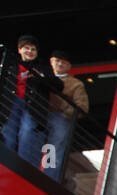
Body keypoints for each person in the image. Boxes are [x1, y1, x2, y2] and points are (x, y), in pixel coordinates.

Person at [2, 35, 57, 167]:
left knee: (27, 132)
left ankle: (22, 168)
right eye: (26, 48)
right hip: (11, 104)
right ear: (19, 50)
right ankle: (6, 166)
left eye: (33, 49)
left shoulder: (42, 67)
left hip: (31, 106)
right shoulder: (10, 65)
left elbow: (58, 85)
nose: (30, 51)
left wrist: (40, 76)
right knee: (8, 134)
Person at [44, 50, 88, 182]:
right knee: (30, 139)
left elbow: (83, 107)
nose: (60, 64)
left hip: (60, 118)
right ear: (51, 62)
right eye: (57, 61)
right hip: (39, 114)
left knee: (53, 150)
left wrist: (63, 110)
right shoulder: (41, 76)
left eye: (64, 62)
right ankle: (28, 174)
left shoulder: (76, 84)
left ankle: (48, 180)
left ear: (69, 66)